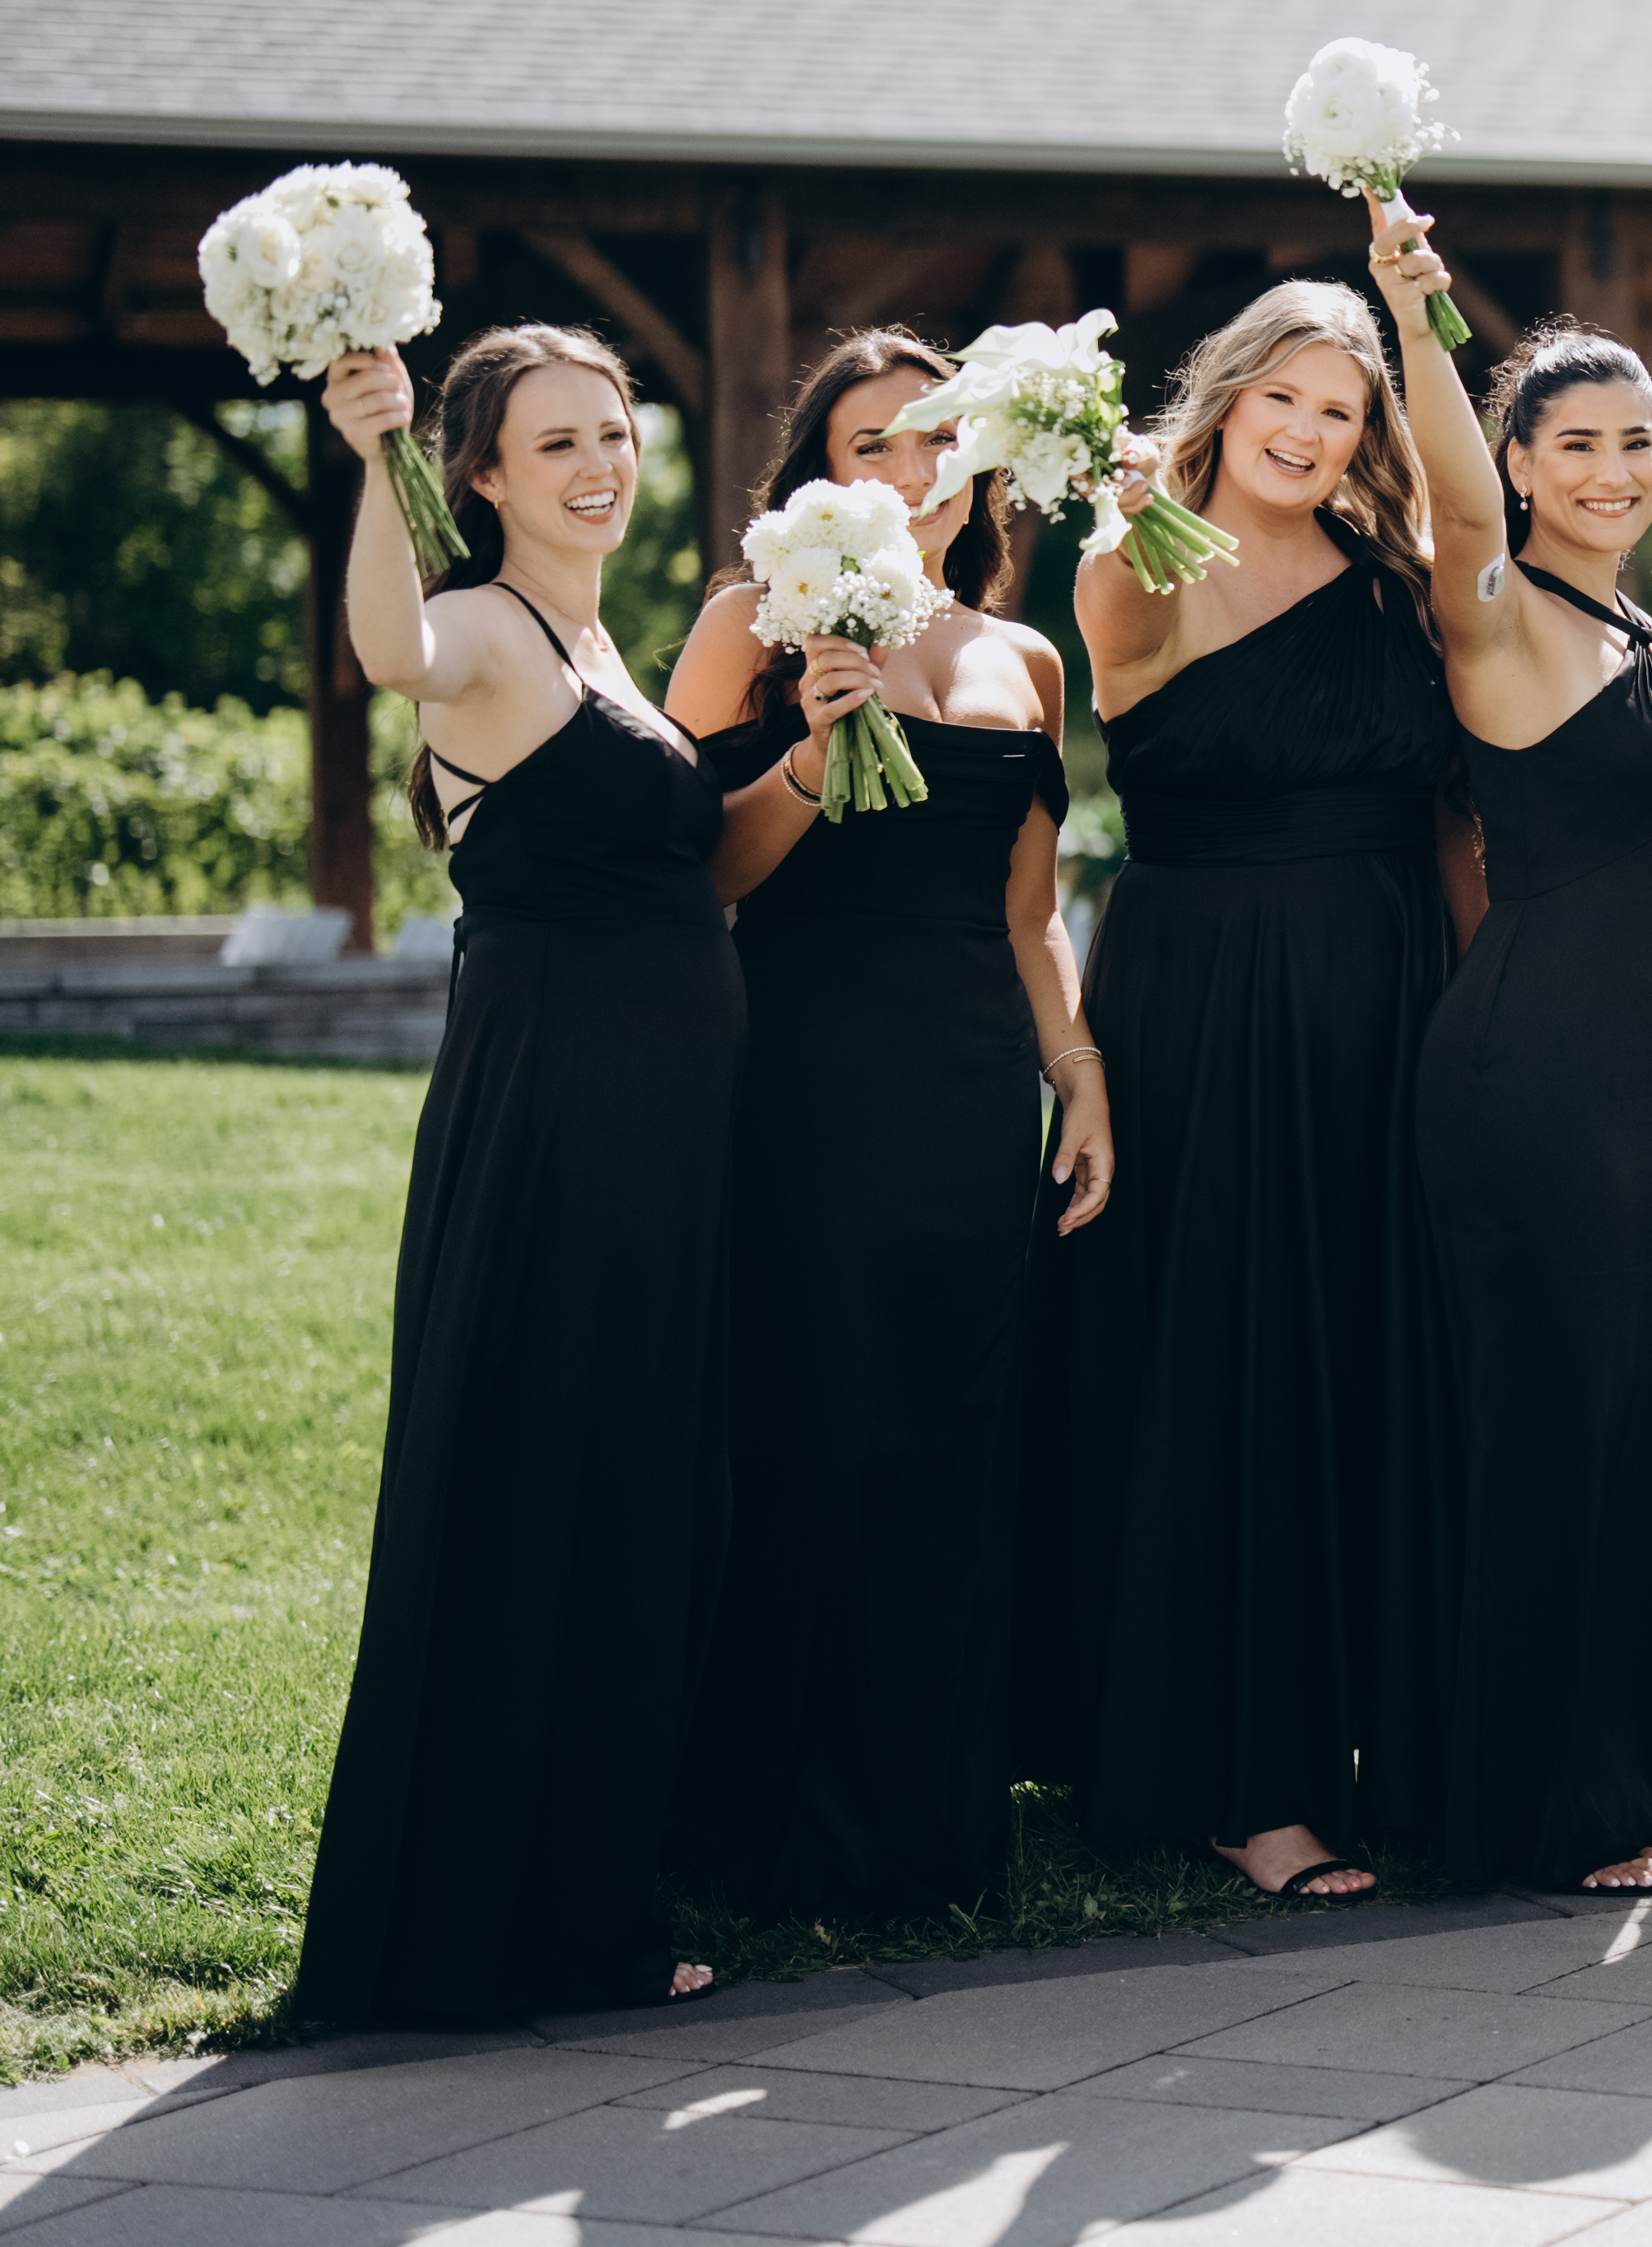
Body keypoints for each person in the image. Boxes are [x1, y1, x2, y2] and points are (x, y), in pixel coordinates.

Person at [295, 323, 734, 2021]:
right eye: (557, 442)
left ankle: (584, 1904)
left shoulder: (602, 639)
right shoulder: (482, 624)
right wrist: (374, 456)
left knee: (622, 1497)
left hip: (657, 1132)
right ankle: (475, 1921)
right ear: (482, 473)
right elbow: (387, 649)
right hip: (559, 1118)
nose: (600, 464)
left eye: (614, 432)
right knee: (539, 1480)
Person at [667, 329, 1111, 1915]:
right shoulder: (747, 623)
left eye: (934, 440)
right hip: (801, 1078)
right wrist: (806, 748)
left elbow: (1030, 908)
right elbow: (687, 872)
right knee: (812, 1425)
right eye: (871, 443)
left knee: (949, 1430)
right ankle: (769, 1824)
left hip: (968, 1091)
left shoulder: (1025, 658)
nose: (909, 470)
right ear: (818, 474)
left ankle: (930, 1822)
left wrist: (1078, 1070)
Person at [1021, 280, 1452, 1905]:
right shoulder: (1134, 564)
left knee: (1362, 1357)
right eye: (1285, 397)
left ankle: (1378, 1735)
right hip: (1214, 1002)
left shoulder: (1393, 575)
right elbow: (1128, 629)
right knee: (1238, 1360)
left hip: (1387, 997)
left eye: (1341, 411)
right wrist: (1124, 493)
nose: (1309, 432)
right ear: (1226, 397)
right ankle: (1246, 1781)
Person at [1365, 207, 1652, 1897]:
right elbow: (1449, 505)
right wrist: (1413, 312)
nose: (1613, 470)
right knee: (1547, 1433)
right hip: (1533, 1077)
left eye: (1637, 440)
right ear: (1519, 463)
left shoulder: (1646, 635)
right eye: (1575, 443)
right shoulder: (1500, 609)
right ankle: (1529, 1806)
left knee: (1648, 1432)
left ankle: (1608, 1780)